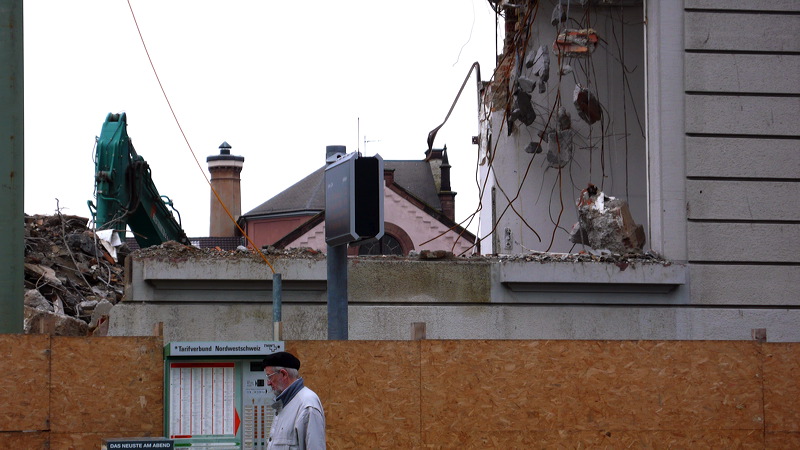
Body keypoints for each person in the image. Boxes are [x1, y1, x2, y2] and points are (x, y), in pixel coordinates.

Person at [263, 351, 326, 449]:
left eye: (270, 377)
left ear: (284, 374)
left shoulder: (307, 405)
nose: (268, 383)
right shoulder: (284, 403)